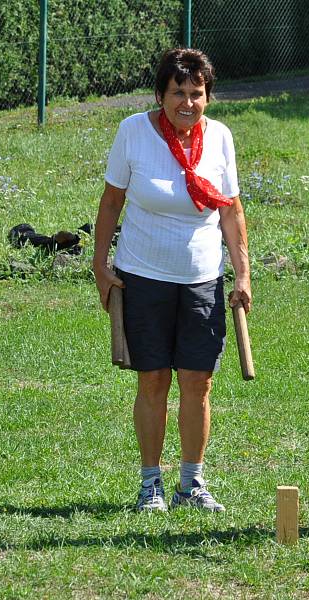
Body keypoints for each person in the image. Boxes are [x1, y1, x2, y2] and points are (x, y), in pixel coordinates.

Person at [92, 48, 251, 512]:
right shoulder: (134, 133)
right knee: (154, 380)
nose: (188, 102)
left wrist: (242, 273)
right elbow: (110, 203)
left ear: (208, 97)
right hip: (142, 277)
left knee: (198, 384)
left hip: (202, 279)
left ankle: (191, 484)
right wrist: (100, 267)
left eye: (197, 94)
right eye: (178, 92)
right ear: (160, 95)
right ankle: (150, 485)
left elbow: (231, 210)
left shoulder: (220, 137)